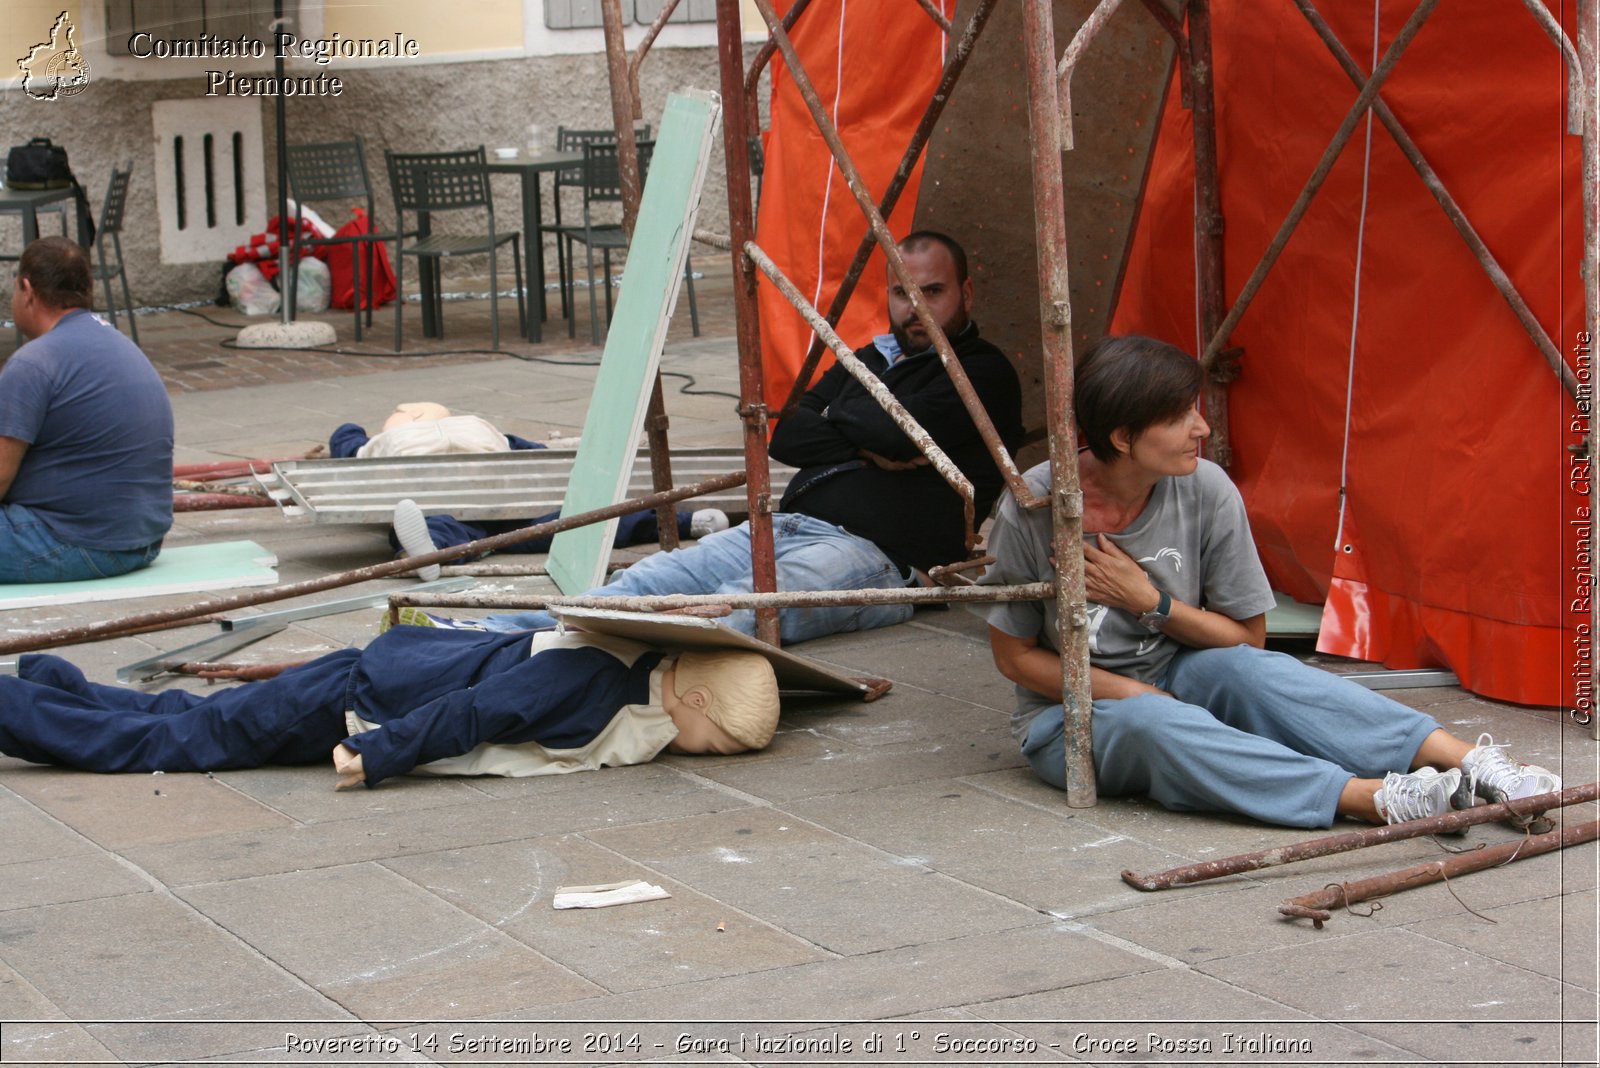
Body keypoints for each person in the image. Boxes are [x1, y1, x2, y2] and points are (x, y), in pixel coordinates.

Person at [979, 335, 1560, 828]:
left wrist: (1150, 601)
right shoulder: (1036, 504)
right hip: (1070, 715)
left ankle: (1473, 764)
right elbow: (1015, 658)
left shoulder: (1205, 488)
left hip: (1180, 670)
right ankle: (1373, 798)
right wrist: (1136, 695)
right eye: (1179, 416)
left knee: (1252, 671)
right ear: (1124, 437)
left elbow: (1248, 638)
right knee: (1153, 722)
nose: (1200, 427)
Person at [418, 230, 1024, 642]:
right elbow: (790, 435)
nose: (914, 308)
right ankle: (480, 636)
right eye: (901, 293)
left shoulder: (982, 372)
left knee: (723, 615)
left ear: (965, 294)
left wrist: (851, 419)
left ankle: (542, 656)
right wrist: (862, 424)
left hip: (878, 555)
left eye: (932, 293)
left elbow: (889, 437)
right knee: (644, 584)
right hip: (787, 524)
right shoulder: (872, 355)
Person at [0, 624, 780, 790]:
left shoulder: (642, 678)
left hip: (373, 678)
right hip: (354, 699)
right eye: (710, 744)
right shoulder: (590, 683)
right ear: (697, 697)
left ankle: (52, 681)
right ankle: (16, 703)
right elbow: (474, 713)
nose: (698, 751)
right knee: (177, 743)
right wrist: (378, 755)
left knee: (187, 718)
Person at [326, 403, 726, 580]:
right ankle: (687, 522)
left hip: (426, 477)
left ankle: (434, 548)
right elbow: (531, 455)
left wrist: (355, 432)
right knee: (579, 520)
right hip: (498, 479)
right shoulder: (476, 425)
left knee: (442, 522)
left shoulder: (383, 442)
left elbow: (345, 443)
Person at [0, 237, 174, 583]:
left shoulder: (34, 363)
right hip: (142, 540)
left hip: (75, 541)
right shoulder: (118, 343)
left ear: (27, 289)